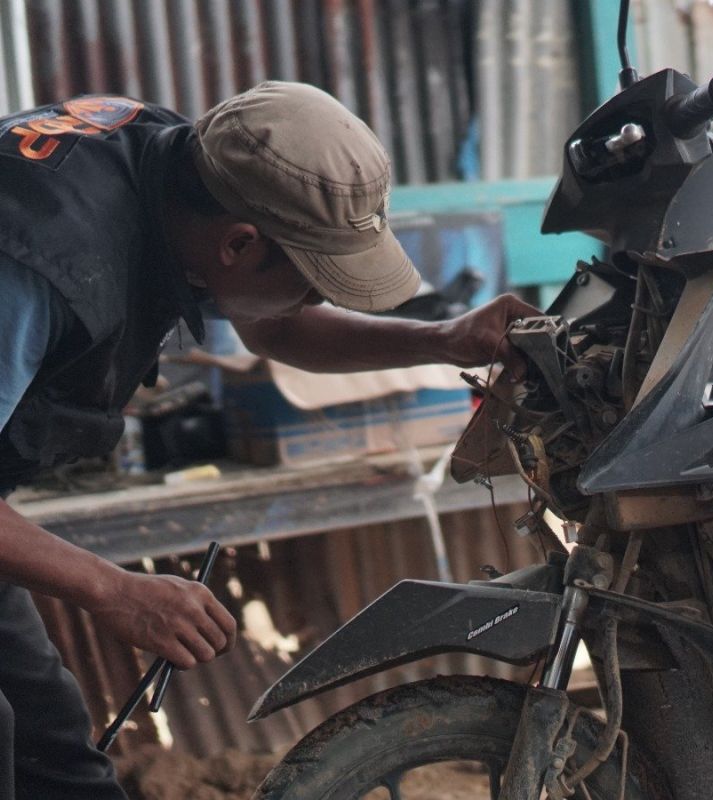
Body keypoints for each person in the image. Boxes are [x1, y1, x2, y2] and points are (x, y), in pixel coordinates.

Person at [0, 82, 536, 798]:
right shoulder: (36, 267)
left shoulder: (181, 169)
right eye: (314, 284)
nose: (312, 301)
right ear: (239, 244)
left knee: (57, 766)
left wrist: (445, 340)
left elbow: (273, 321)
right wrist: (112, 589)